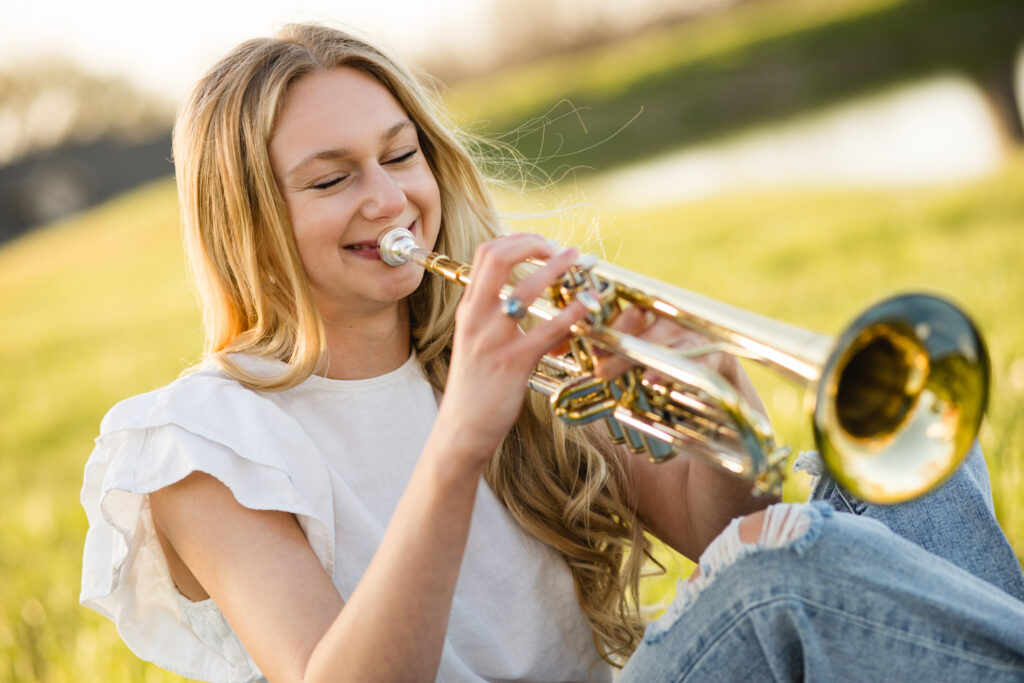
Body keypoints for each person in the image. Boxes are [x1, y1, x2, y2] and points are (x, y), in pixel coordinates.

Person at [79, 22, 1024, 683]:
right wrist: (458, 441)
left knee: (914, 466)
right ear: (246, 219)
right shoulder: (197, 441)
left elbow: (717, 533)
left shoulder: (498, 342)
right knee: (785, 573)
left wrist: (715, 393)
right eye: (332, 178)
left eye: (401, 155)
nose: (389, 199)